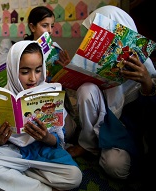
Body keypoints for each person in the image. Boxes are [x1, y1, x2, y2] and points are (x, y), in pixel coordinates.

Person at [65, 5, 156, 182]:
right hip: (104, 117)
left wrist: (146, 83)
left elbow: (149, 118)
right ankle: (88, 144)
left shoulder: (147, 71)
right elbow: (86, 95)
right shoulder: (97, 58)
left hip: (126, 130)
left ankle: (105, 146)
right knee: (86, 89)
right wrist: (71, 72)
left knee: (115, 166)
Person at [0, 41, 82, 191]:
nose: (33, 78)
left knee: (74, 176)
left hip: (44, 153)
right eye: (25, 72)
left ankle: (18, 179)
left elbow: (59, 138)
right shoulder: (3, 96)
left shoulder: (50, 93)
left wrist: (47, 137)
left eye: (38, 70)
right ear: (13, 70)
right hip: (14, 153)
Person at [24, 5, 77, 142]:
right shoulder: (22, 52)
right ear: (32, 27)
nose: (50, 31)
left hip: (54, 103)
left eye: (52, 26)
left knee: (69, 132)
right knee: (28, 134)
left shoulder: (55, 49)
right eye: (44, 25)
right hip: (31, 103)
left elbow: (68, 86)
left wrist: (68, 70)